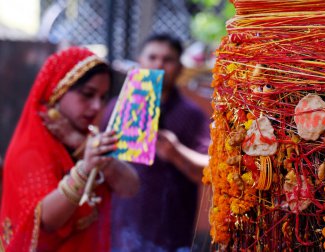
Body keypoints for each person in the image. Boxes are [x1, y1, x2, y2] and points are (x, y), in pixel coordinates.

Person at [0, 47, 140, 251]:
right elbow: (47, 220)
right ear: (57, 90)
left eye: (102, 97)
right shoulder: (30, 149)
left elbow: (130, 187)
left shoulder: (85, 136)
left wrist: (80, 144)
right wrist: (84, 169)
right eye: (88, 95)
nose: (96, 107)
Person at [103, 33, 210, 252]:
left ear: (180, 67)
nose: (159, 64)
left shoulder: (191, 114)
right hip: (123, 229)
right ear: (140, 62)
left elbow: (210, 169)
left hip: (172, 233)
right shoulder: (119, 107)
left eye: (168, 59)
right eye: (152, 57)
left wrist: (176, 153)